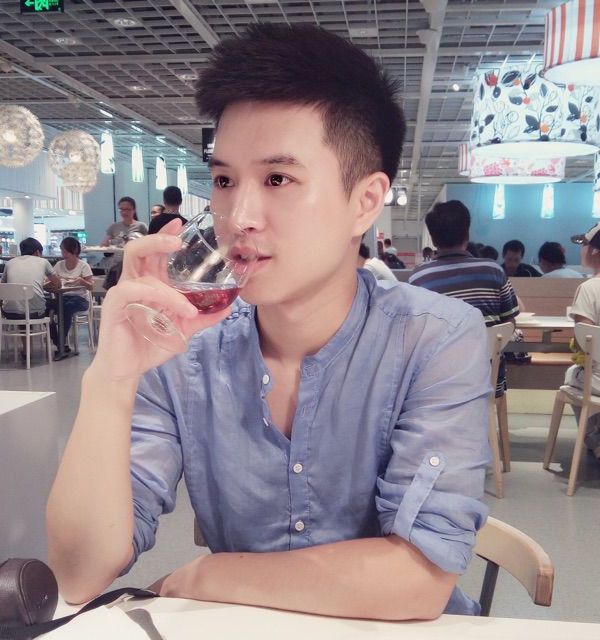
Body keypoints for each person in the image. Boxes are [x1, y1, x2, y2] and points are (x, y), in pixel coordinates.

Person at [47, 23, 490, 621]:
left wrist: (208, 574)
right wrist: (112, 378)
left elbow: (418, 579)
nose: (238, 216)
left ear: (364, 202)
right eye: (224, 180)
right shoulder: (185, 345)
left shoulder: (434, 337)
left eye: (278, 179)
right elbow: (80, 571)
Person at [409, 200, 519, 398]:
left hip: (438, 385)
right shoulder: (493, 271)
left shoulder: (419, 277)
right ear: (467, 234)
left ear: (433, 239)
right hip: (488, 380)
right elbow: (509, 324)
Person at [564, 224, 600, 459]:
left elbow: (583, 343)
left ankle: (594, 441)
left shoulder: (589, 289)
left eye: (584, 244)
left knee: (573, 373)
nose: (581, 250)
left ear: (596, 251)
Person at [49, 237, 94, 355]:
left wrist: (82, 281)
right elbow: (50, 280)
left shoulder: (83, 266)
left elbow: (91, 287)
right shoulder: (59, 265)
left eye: (65, 251)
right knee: (44, 308)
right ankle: (59, 343)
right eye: (62, 251)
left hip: (80, 299)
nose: (63, 254)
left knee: (66, 308)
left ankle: (60, 344)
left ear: (74, 250)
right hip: (62, 297)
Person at [1, 237, 60, 319]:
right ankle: (50, 326)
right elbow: (58, 284)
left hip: (9, 312)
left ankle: (24, 328)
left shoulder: (9, 263)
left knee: (25, 307)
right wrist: (43, 286)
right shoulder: (43, 261)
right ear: (38, 252)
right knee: (54, 305)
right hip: (34, 313)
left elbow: (2, 286)